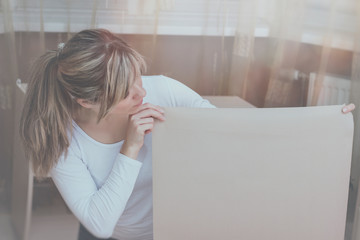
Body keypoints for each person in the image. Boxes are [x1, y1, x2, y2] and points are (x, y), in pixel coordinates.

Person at [20, 29, 355, 240]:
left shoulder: (162, 89)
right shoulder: (62, 141)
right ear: (87, 101)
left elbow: (233, 135)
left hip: (187, 225)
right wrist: (131, 146)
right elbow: (101, 225)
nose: (141, 92)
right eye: (126, 92)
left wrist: (322, 125)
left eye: (139, 76)